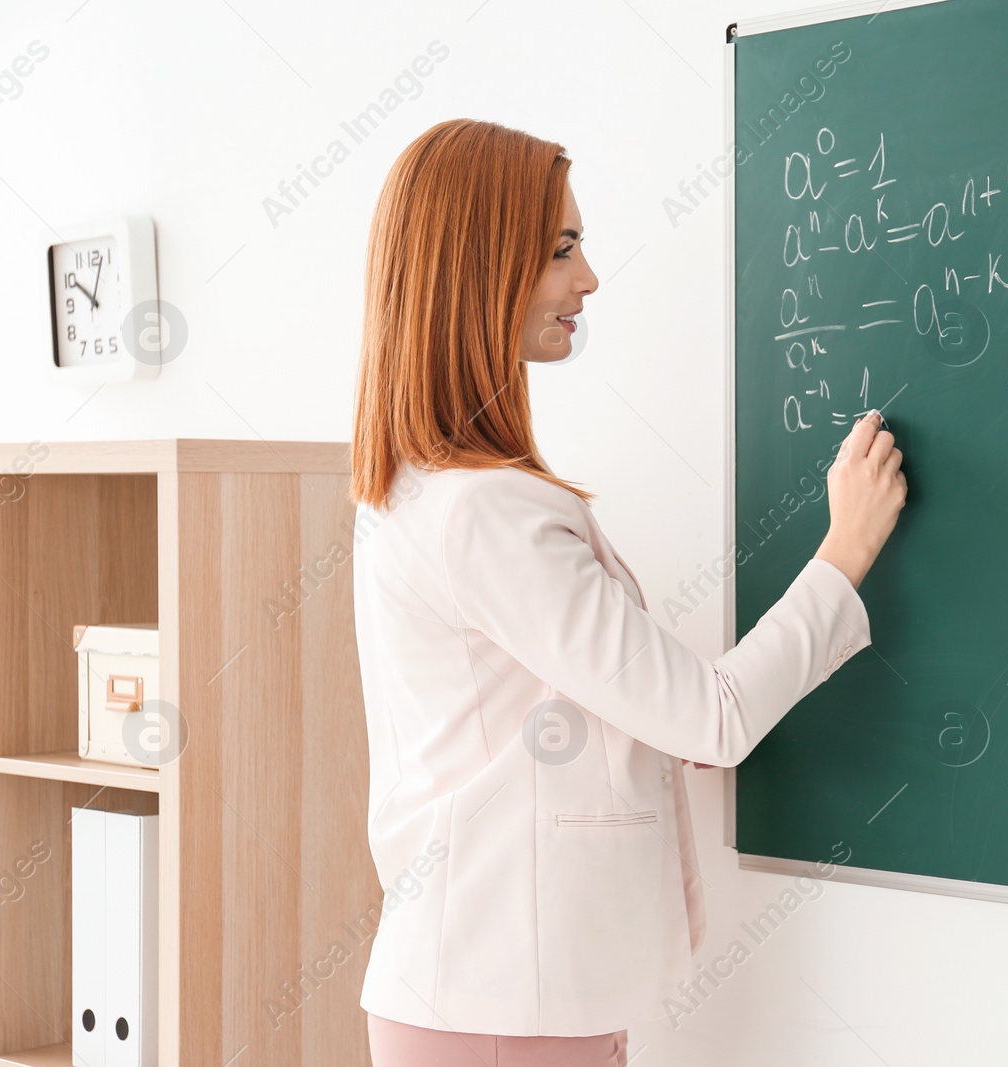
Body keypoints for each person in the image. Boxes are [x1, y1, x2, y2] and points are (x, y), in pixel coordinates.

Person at [348, 118, 906, 1067]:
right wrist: (844, 550)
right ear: (483, 267)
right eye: (562, 248)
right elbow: (714, 719)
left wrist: (644, 719)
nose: (589, 278)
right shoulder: (486, 512)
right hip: (498, 1007)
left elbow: (525, 701)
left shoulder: (430, 488)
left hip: (497, 999)